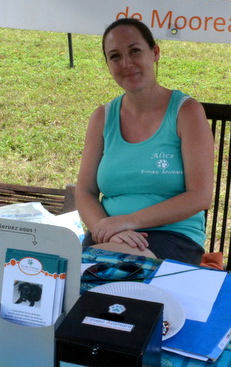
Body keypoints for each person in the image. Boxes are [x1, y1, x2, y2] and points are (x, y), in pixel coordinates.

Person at [76, 18, 214, 264]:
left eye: (135, 51)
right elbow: (85, 192)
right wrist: (107, 227)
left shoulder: (186, 112)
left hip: (173, 235)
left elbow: (200, 196)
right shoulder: (103, 116)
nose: (126, 64)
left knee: (105, 269)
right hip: (110, 237)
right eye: (115, 56)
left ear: (155, 52)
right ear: (108, 65)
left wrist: (129, 221)